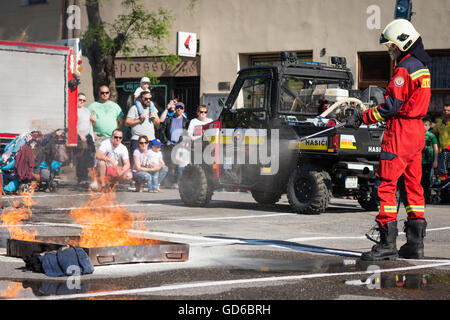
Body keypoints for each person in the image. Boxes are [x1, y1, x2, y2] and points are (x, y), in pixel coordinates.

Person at [344, 19, 432, 261]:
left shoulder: (404, 69)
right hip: (416, 133)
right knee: (413, 187)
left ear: (403, 42)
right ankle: (416, 244)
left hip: (401, 132)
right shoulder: (422, 67)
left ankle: (387, 243)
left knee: (386, 185)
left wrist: (362, 117)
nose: (391, 51)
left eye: (392, 47)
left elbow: (391, 107)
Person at [125, 90, 160, 167]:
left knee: (150, 163)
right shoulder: (134, 108)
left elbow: (158, 123)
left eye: (150, 99)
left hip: (150, 140)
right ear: (140, 99)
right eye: (146, 99)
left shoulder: (153, 108)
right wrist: (139, 120)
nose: (148, 100)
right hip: (137, 140)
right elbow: (127, 122)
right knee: (135, 164)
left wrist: (153, 118)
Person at [160, 101, 190, 187]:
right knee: (170, 165)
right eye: (177, 107)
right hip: (170, 144)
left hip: (181, 145)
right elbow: (162, 131)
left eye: (181, 108)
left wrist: (184, 142)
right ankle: (168, 183)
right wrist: (166, 141)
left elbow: (188, 133)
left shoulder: (186, 121)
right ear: (175, 109)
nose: (179, 109)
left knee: (180, 165)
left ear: (183, 110)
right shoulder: (169, 119)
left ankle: (178, 183)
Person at [74, 92, 96, 185]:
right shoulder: (74, 111)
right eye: (80, 100)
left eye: (84, 100)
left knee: (89, 158)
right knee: (81, 158)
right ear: (77, 99)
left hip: (88, 136)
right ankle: (81, 178)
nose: (82, 101)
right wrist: (80, 135)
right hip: (79, 137)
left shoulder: (87, 110)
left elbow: (90, 123)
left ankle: (86, 177)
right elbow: (72, 126)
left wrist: (93, 120)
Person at [421, 118, 438, 202]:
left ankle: (427, 195)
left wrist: (435, 160)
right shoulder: (418, 135)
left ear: (429, 126)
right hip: (419, 160)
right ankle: (420, 196)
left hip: (428, 161)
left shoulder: (431, 136)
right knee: (419, 178)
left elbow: (435, 148)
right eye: (423, 125)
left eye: (426, 125)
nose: (424, 127)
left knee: (427, 178)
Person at [432, 103, 450, 183]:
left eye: (448, 110)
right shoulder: (439, 124)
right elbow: (433, 135)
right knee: (443, 175)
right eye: (444, 110)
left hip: (449, 152)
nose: (446, 112)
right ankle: (444, 194)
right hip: (441, 153)